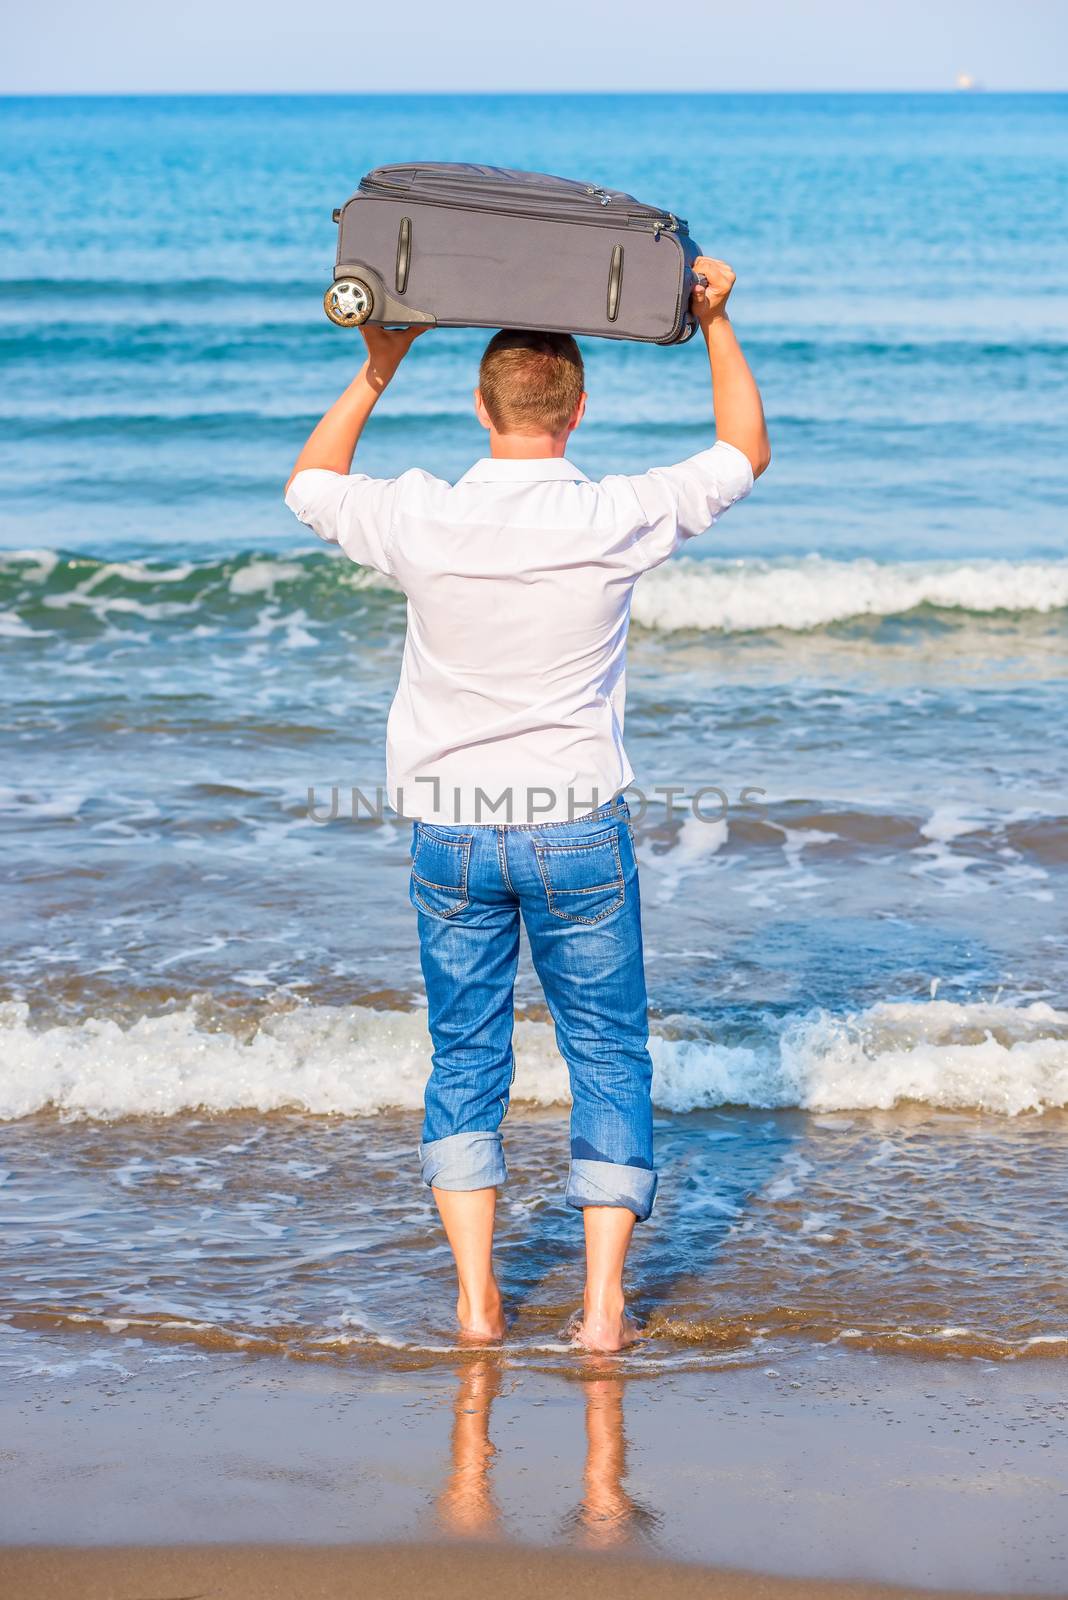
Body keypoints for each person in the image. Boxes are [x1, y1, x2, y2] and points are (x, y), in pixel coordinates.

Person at [285, 259, 770, 1352]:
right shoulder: (613, 515)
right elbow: (744, 451)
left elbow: (310, 483)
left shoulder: (422, 517)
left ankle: (477, 1300)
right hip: (576, 827)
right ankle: (601, 1311)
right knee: (608, 1054)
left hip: (452, 828)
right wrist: (718, 323)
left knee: (465, 1055)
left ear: (480, 404)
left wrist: (376, 367)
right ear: (579, 407)